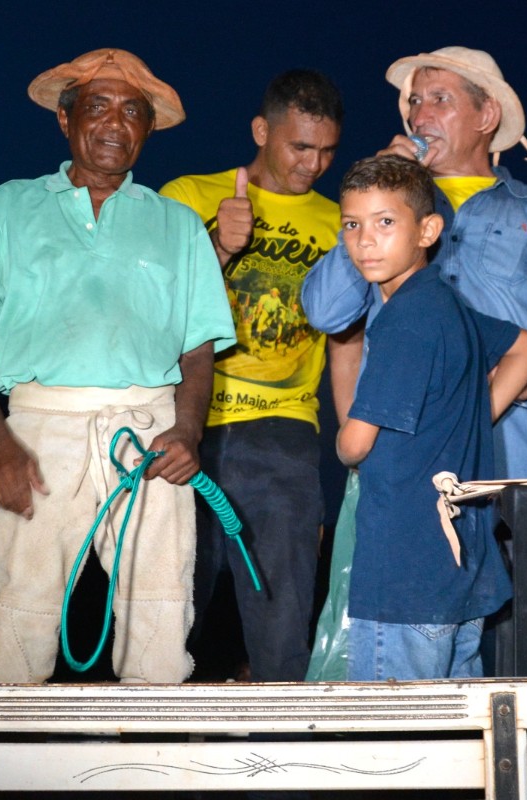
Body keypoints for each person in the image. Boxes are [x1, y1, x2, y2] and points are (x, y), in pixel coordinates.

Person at [0, 49, 235, 683]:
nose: (114, 123)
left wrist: (188, 432)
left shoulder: (179, 224)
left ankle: (154, 767)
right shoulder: (8, 207)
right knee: (22, 603)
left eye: (133, 111)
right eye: (97, 106)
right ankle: (8, 770)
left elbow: (197, 346)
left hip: (149, 425)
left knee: (159, 605)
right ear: (65, 120)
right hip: (38, 426)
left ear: (147, 130)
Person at [302, 46, 527, 482]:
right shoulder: (381, 216)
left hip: (516, 457)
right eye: (415, 102)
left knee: (517, 550)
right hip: (406, 458)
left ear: (486, 115)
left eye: (440, 99)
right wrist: (385, 187)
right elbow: (324, 311)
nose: (420, 117)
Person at [160, 70, 359, 683]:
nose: (313, 164)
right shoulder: (188, 195)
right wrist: (217, 244)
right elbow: (147, 311)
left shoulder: (342, 220)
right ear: (261, 131)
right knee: (166, 616)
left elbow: (354, 337)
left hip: (286, 432)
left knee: (282, 621)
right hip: (185, 426)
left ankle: (290, 769)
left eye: (327, 150)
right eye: (300, 146)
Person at [334, 155, 527, 680]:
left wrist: (343, 441)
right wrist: (479, 411)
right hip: (460, 568)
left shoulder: (404, 319)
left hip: (406, 571)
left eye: (386, 222)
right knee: (455, 735)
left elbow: (355, 445)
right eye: (352, 224)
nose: (365, 240)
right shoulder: (447, 304)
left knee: (397, 740)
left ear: (428, 230)